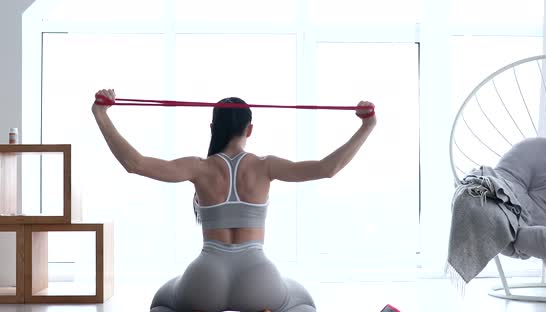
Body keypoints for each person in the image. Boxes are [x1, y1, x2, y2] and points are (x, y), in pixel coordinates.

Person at [92, 89, 377, 312]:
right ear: (249, 129)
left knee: (161, 303)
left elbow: (135, 163)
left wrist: (101, 114)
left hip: (205, 277)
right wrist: (367, 126)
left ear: (213, 126)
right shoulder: (266, 166)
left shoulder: (198, 167)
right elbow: (328, 168)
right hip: (258, 277)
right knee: (303, 302)